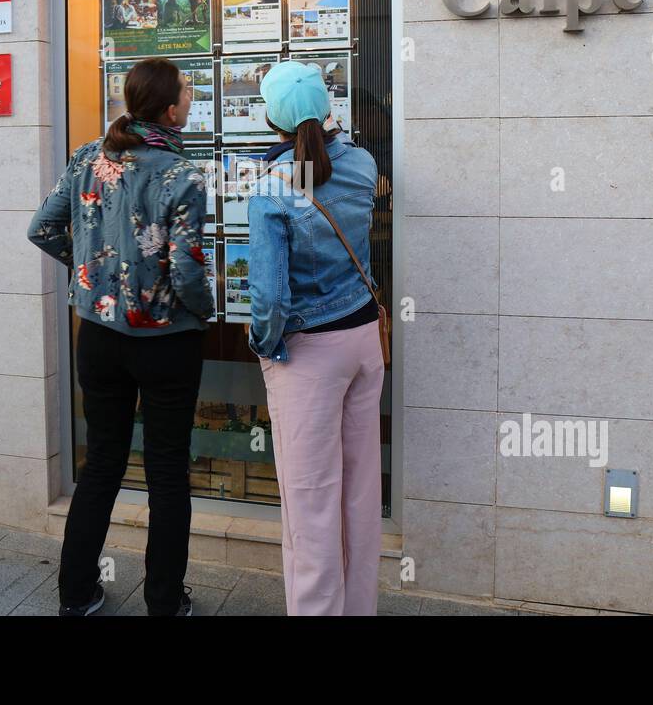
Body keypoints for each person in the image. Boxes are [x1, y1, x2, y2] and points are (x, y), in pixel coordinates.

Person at [27, 58, 214, 617]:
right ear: (169, 107)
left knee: (102, 464)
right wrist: (206, 312)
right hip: (167, 343)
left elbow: (42, 228)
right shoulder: (182, 174)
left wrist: (88, 274)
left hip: (99, 337)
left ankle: (75, 594)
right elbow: (185, 271)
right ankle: (163, 602)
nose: (191, 97)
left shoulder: (89, 155)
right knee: (166, 472)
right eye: (187, 90)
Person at [245, 60, 385, 616]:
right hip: (363, 341)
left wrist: (264, 344)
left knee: (310, 503)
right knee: (358, 492)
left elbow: (270, 299)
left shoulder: (270, 189)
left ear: (271, 120)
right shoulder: (363, 163)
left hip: (309, 354)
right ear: (328, 108)